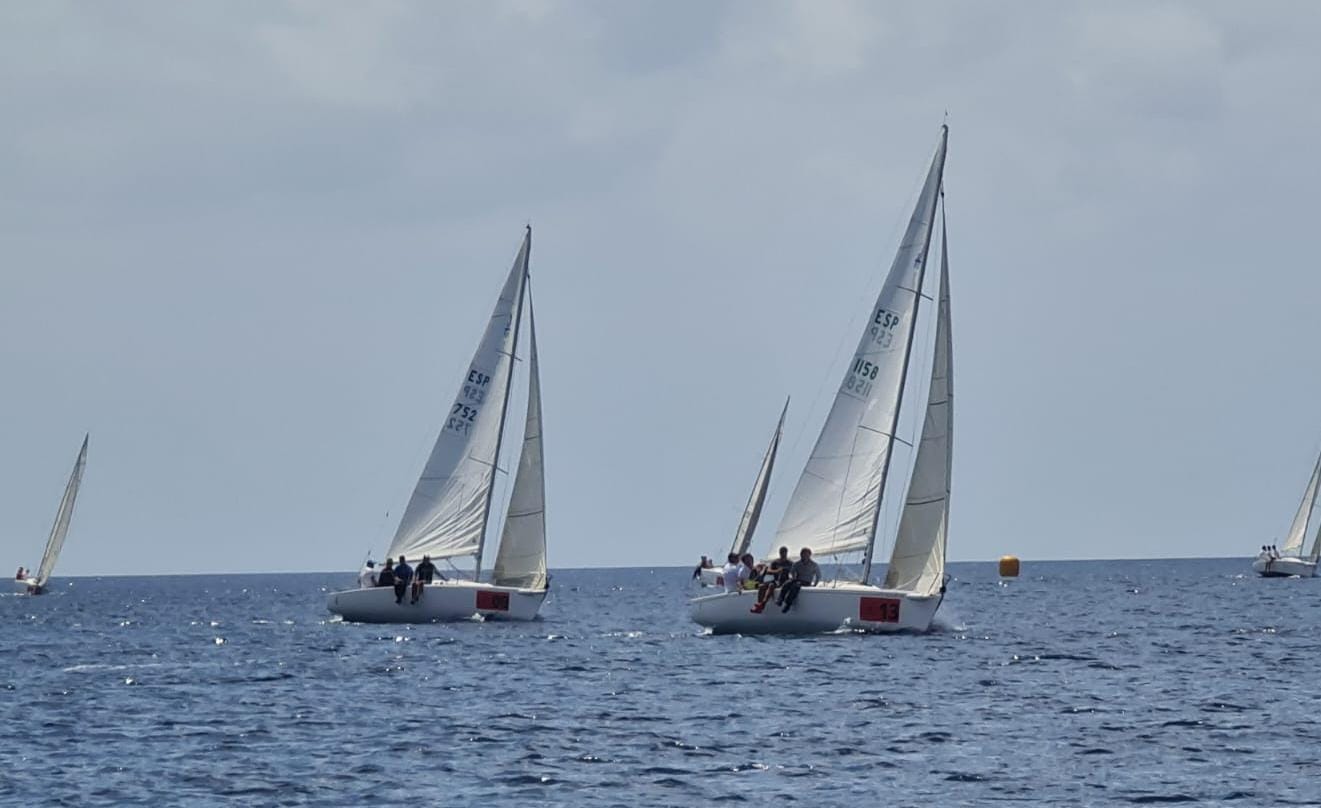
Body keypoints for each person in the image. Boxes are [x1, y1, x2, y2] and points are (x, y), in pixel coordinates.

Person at [778, 547, 821, 613]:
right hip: (797, 580)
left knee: (795, 586)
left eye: (806, 554)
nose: (804, 556)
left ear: (809, 555)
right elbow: (791, 572)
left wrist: (815, 585)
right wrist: (792, 577)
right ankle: (780, 599)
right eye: (803, 554)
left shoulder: (814, 565)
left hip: (806, 582)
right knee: (787, 583)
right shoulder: (797, 564)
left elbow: (818, 576)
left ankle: (788, 604)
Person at [751, 546, 793, 613]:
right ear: (780, 553)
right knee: (761, 586)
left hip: (784, 582)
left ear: (786, 553)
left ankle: (763, 603)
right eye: (781, 552)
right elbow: (768, 571)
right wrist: (777, 571)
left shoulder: (790, 563)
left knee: (771, 585)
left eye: (784, 552)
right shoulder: (775, 562)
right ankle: (759, 605)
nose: (783, 553)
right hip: (776, 581)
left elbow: (794, 572)